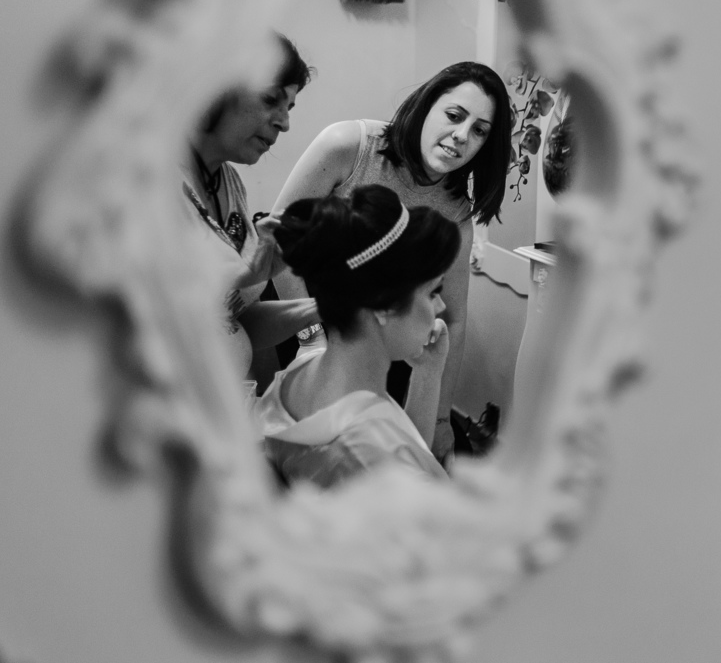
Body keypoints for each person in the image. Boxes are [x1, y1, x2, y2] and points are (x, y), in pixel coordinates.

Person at [271, 61, 512, 460]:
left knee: (424, 447)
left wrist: (440, 418)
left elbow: (453, 318)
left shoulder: (456, 214)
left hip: (383, 327)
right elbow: (278, 241)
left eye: (479, 131)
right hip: (302, 306)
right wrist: (311, 339)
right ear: (426, 105)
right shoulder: (348, 146)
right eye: (454, 116)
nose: (461, 136)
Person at [253, 185, 460, 488]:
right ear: (384, 303)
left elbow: (405, 442)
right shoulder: (380, 466)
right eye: (433, 292)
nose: (440, 307)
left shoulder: (297, 374)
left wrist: (428, 375)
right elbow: (400, 461)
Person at [182, 32, 320, 379]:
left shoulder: (229, 182)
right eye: (270, 100)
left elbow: (235, 321)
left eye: (288, 108)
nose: (284, 123)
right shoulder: (149, 183)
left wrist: (325, 307)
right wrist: (245, 274)